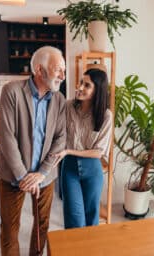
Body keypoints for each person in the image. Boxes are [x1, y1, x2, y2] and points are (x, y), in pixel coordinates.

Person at [0, 46, 66, 256]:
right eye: (57, 70)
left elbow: (60, 139)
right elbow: (6, 138)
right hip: (12, 178)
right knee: (9, 230)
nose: (62, 76)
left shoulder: (59, 100)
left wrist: (41, 173)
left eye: (63, 70)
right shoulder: (12, 91)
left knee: (41, 227)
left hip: (45, 177)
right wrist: (24, 177)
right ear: (39, 69)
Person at [53, 68, 113, 228]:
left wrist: (69, 151)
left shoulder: (105, 115)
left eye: (87, 85)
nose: (80, 88)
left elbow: (98, 152)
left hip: (93, 170)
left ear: (97, 90)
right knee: (74, 218)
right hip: (69, 169)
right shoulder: (67, 107)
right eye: (80, 83)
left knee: (91, 217)